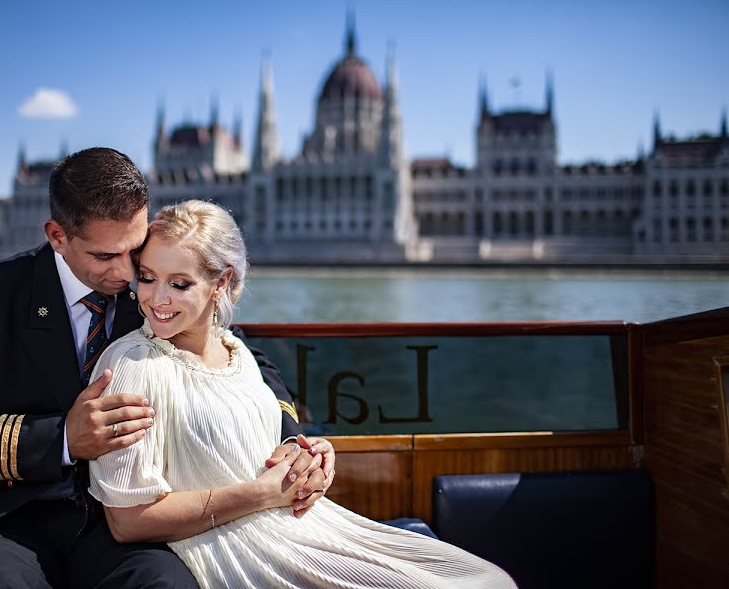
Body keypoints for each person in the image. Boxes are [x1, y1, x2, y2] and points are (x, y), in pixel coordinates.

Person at [0, 147, 334, 588]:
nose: (129, 275)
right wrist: (61, 439)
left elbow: (243, 357)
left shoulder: (152, 284)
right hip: (3, 517)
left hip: (115, 526)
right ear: (57, 236)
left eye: (135, 250)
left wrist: (290, 441)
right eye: (106, 257)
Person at [86, 200, 518, 588]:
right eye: (146, 278)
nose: (156, 299)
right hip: (235, 549)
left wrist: (303, 451)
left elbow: (258, 446)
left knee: (486, 579)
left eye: (179, 284)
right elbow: (127, 521)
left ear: (220, 284)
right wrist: (264, 493)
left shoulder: (238, 353)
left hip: (300, 527)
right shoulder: (132, 366)